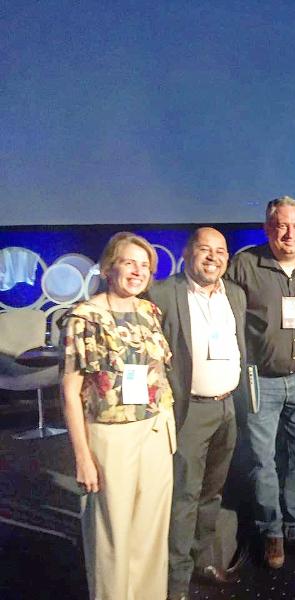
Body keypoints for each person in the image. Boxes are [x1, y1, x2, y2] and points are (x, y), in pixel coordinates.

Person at [61, 232, 175, 600]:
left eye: (145, 265)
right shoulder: (85, 316)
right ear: (110, 266)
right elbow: (69, 389)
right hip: (111, 436)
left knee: (150, 533)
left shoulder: (149, 311)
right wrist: (82, 456)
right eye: (130, 263)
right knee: (111, 535)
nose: (138, 272)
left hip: (156, 429)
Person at [227, 196, 295, 569]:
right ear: (267, 228)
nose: (290, 234)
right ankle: (270, 530)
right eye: (281, 226)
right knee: (262, 460)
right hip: (262, 379)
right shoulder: (244, 265)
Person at [147, 228, 246, 600]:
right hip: (189, 411)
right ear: (187, 253)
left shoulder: (234, 294)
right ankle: (176, 583)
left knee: (213, 492)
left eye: (220, 251)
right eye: (205, 249)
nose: (213, 257)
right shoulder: (162, 293)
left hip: (227, 408)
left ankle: (204, 560)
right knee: (184, 496)